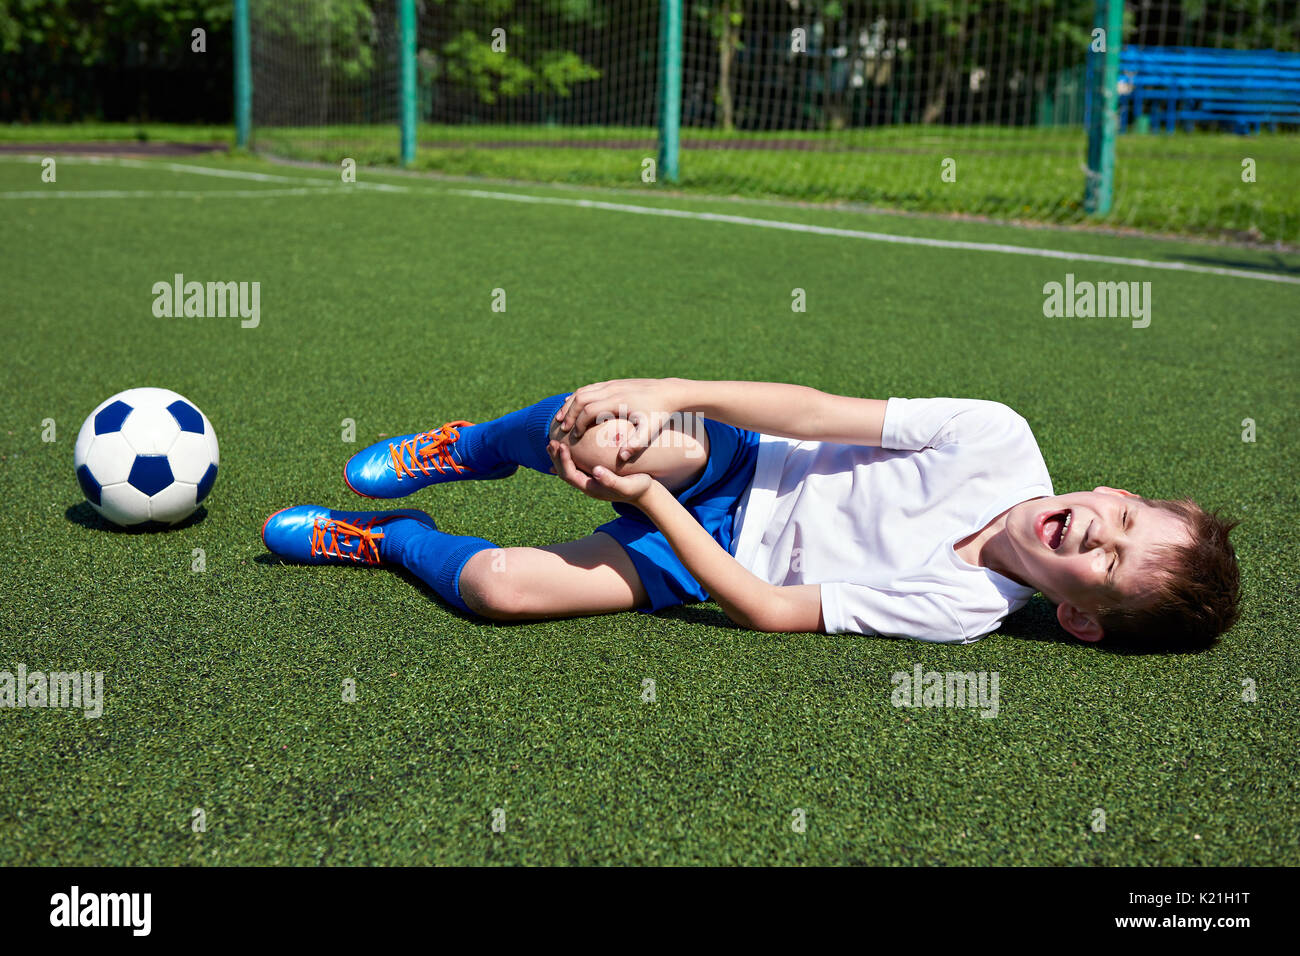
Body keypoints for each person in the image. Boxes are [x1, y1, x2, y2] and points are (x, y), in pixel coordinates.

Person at [261, 378, 1239, 648]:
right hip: (744, 457)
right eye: (1123, 519)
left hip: (713, 557)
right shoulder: (996, 437)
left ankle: (388, 541)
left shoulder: (965, 609)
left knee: (500, 590)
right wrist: (668, 389)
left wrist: (647, 507)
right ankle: (464, 447)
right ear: (1116, 493)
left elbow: (769, 609)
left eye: (1109, 567)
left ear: (1076, 612)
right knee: (609, 429)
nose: (1097, 533)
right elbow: (811, 413)